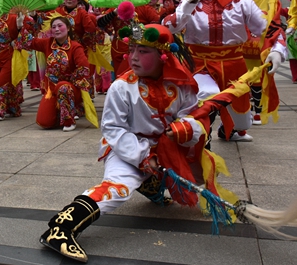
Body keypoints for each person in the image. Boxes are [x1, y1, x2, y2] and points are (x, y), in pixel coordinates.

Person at [39, 23, 235, 263]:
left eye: (143, 51)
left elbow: (194, 118)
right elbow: (113, 129)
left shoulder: (183, 86)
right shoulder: (121, 87)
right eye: (132, 50)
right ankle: (60, 229)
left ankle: (150, 186)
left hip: (166, 148)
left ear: (163, 55)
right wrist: (143, 157)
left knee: (200, 173)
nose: (133, 57)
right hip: (126, 149)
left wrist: (186, 128)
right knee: (117, 190)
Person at [162, 0, 285, 143]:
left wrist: (278, 49)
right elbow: (167, 28)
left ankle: (228, 130)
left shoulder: (242, 3)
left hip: (235, 65)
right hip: (200, 64)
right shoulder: (189, 3)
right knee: (205, 96)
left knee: (243, 122)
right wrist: (183, 13)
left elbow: (268, 28)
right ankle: (203, 140)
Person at [15, 15, 91, 131]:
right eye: (54, 27)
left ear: (68, 28)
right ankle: (60, 110)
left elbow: (84, 68)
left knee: (63, 87)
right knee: (44, 122)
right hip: (51, 89)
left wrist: (71, 81)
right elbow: (31, 42)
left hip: (71, 89)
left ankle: (69, 119)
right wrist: (20, 26)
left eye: (60, 26)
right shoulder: (48, 43)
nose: (56, 29)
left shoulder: (75, 47)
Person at [226, 0, 269, 124]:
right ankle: (240, 111)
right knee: (235, 75)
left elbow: (261, 7)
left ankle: (258, 110)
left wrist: (256, 33)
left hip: (249, 32)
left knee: (253, 72)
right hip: (232, 34)